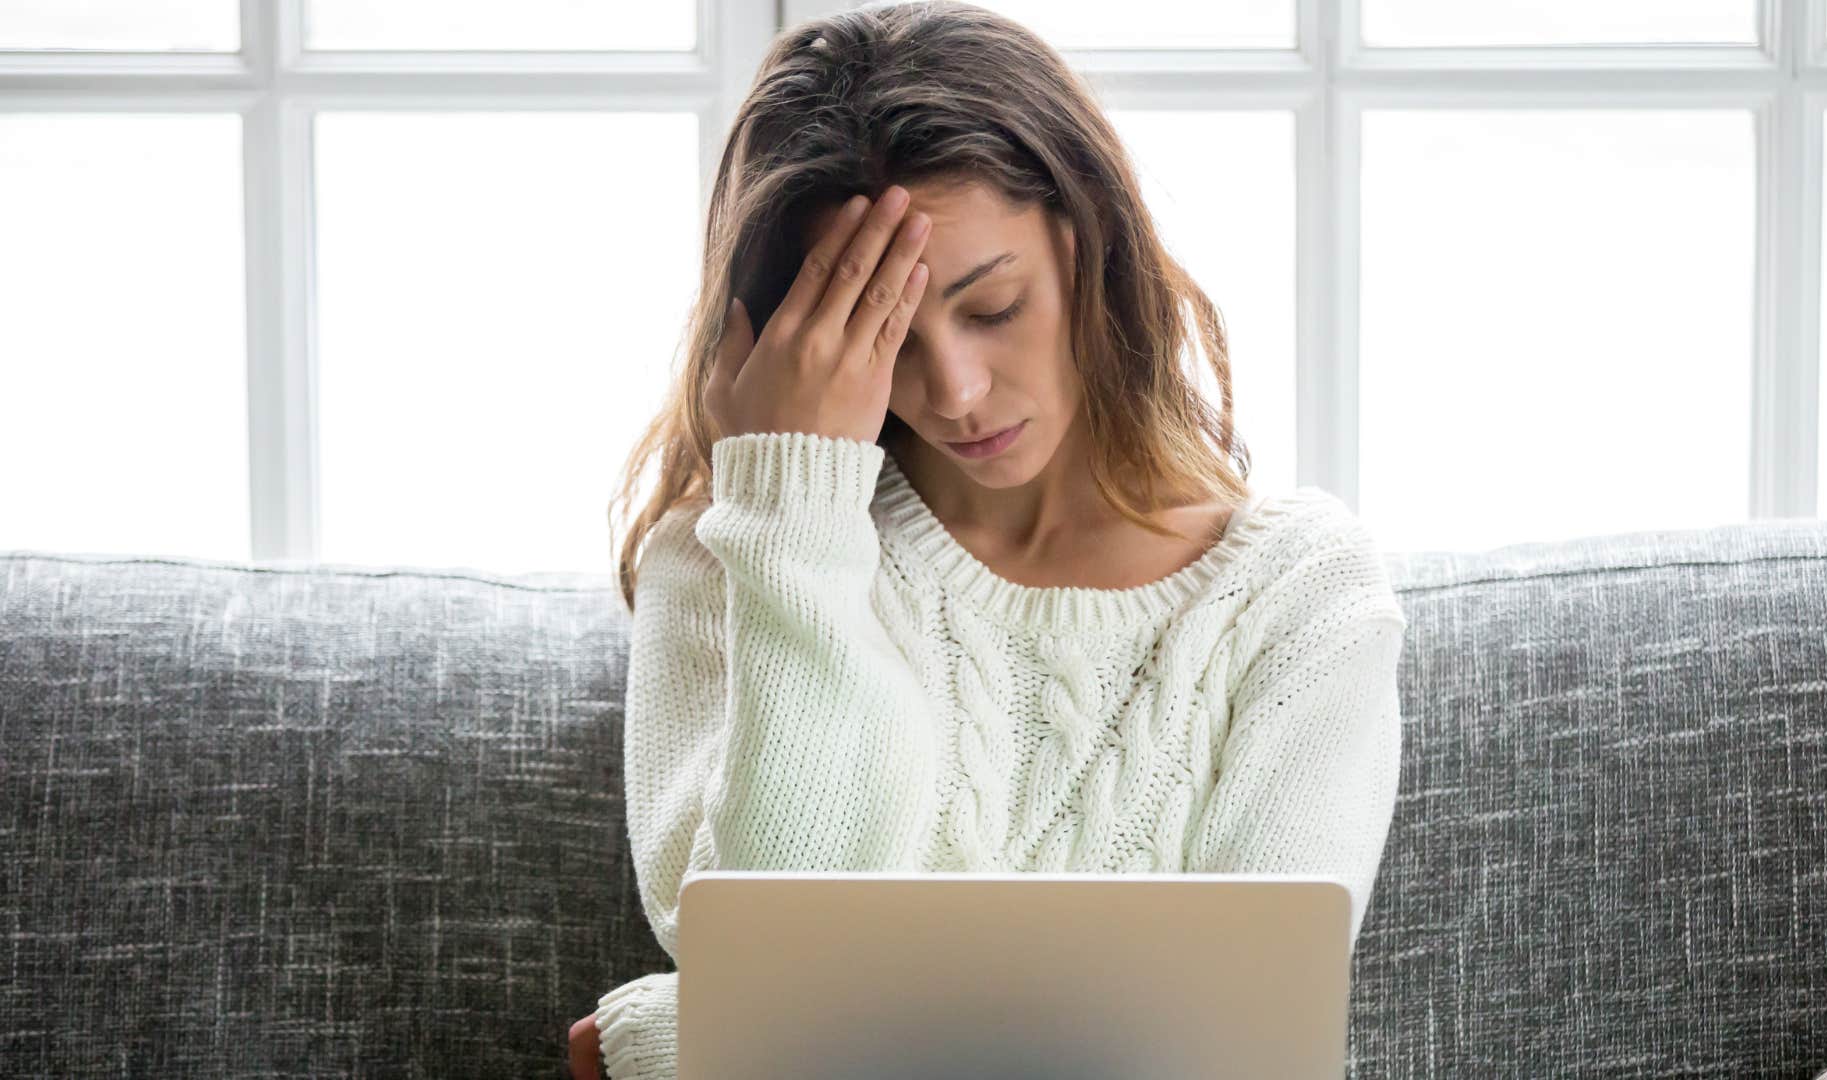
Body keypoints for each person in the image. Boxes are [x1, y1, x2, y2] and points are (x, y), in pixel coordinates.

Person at [573, 2, 1409, 1077]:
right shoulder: (735, 549)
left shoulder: (1300, 594)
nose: (955, 393)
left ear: (1087, 243)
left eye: (993, 306)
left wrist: (674, 1040)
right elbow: (777, 948)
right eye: (886, 341)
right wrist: (795, 507)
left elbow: (1245, 1040)